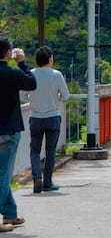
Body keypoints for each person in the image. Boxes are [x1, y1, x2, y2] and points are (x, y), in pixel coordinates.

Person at [0, 36, 37, 229]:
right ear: (8, 53)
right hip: (9, 130)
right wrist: (22, 62)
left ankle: (9, 214)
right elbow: (32, 83)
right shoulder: (12, 73)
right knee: (4, 175)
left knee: (3, 174)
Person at [28, 46, 70, 192]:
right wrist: (56, 99)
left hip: (35, 117)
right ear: (50, 59)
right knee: (50, 151)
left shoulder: (30, 74)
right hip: (52, 117)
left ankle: (36, 178)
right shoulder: (56, 74)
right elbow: (66, 96)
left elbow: (22, 96)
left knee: (34, 150)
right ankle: (47, 182)